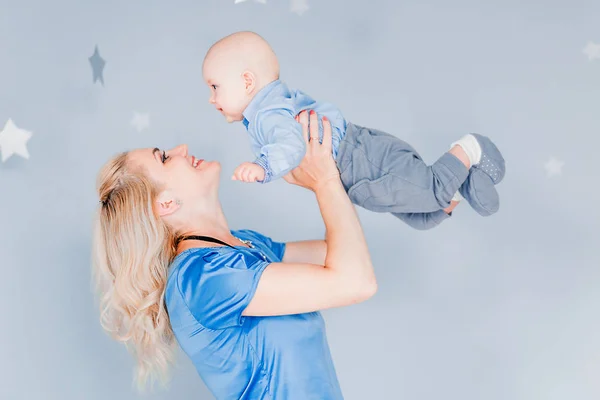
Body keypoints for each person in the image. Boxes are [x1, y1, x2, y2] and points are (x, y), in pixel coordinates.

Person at [91, 110, 377, 399]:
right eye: (164, 158)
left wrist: (332, 171)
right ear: (165, 202)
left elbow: (346, 255)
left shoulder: (245, 243)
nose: (181, 150)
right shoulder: (201, 279)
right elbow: (356, 281)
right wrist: (325, 181)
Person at [202, 31, 506, 230]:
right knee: (424, 218)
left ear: (247, 82)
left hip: (361, 159)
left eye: (215, 87)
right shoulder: (265, 114)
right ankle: (463, 185)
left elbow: (290, 145)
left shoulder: (269, 113)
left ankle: (470, 148)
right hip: (358, 174)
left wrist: (262, 167)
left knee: (431, 191)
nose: (212, 98)